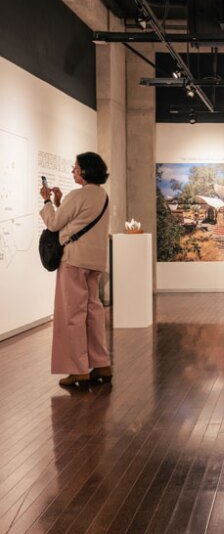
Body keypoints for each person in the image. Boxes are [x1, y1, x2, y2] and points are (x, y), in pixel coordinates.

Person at [39, 152, 112, 387]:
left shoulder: (77, 195)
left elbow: (54, 223)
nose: (73, 171)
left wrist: (48, 202)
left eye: (75, 168)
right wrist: (61, 203)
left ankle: (78, 369)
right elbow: (78, 220)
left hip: (73, 261)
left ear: (84, 171)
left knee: (71, 314)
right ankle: (101, 364)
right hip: (95, 262)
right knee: (93, 311)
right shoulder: (102, 195)